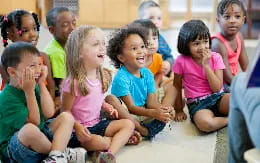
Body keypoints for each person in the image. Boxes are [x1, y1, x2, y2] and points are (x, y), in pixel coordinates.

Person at [0, 42, 87, 163]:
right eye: (32, 66)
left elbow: (49, 112)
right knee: (29, 130)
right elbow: (34, 123)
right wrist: (29, 92)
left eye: (39, 64)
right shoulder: (6, 98)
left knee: (66, 117)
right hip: (16, 150)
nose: (38, 69)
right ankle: (62, 153)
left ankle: (56, 156)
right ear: (12, 72)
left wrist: (41, 84)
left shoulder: (34, 85)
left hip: (40, 137)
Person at [61, 25, 135, 163]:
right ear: (79, 52)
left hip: (97, 123)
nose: (102, 48)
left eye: (103, 44)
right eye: (96, 44)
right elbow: (65, 112)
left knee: (128, 124)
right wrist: (77, 127)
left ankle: (108, 154)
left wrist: (105, 105)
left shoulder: (100, 75)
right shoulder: (73, 82)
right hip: (79, 131)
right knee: (99, 142)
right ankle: (115, 143)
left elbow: (96, 99)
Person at [108, 27, 172, 140]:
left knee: (163, 116)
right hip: (127, 115)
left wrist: (163, 110)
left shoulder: (147, 74)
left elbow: (151, 102)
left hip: (144, 112)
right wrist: (153, 113)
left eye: (142, 46)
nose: (141, 51)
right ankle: (140, 130)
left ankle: (139, 131)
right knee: (110, 99)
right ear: (121, 57)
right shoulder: (121, 77)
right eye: (134, 48)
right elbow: (131, 108)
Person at [172, 20, 230, 132]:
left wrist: (206, 66)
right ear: (186, 44)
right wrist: (179, 110)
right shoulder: (181, 61)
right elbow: (177, 86)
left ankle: (230, 116)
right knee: (206, 124)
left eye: (205, 41)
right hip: (198, 104)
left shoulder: (216, 57)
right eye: (196, 43)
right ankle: (230, 120)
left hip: (218, 97)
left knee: (238, 100)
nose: (202, 47)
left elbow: (217, 88)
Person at [129, 19, 186, 121]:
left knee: (174, 86)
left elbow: (159, 74)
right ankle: (156, 113)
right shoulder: (134, 59)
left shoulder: (158, 57)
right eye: (147, 39)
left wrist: (158, 82)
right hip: (138, 94)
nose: (152, 43)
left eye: (155, 38)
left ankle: (164, 111)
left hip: (154, 92)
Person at [0, 10, 55, 99]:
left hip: (42, 106)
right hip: (18, 107)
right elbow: (8, 91)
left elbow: (51, 85)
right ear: (11, 35)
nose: (33, 34)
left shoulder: (43, 57)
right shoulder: (6, 62)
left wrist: (50, 106)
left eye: (34, 28)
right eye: (25, 31)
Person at [211, 0, 248, 91]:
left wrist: (252, 81)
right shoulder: (217, 43)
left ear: (243, 20)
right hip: (220, 84)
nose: (232, 21)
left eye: (237, 16)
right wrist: (243, 86)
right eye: (227, 17)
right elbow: (226, 77)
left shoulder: (239, 36)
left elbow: (246, 66)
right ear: (218, 20)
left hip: (232, 80)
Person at [45, 7, 76, 108]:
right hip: (60, 94)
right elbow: (62, 85)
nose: (72, 28)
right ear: (52, 30)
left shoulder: (69, 45)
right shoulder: (56, 53)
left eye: (74, 23)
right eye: (65, 25)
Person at [138, 0, 174, 76]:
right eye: (151, 18)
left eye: (159, 18)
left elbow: (169, 56)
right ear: (140, 20)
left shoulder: (161, 38)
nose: (156, 21)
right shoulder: (137, 39)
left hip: (160, 73)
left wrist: (168, 63)